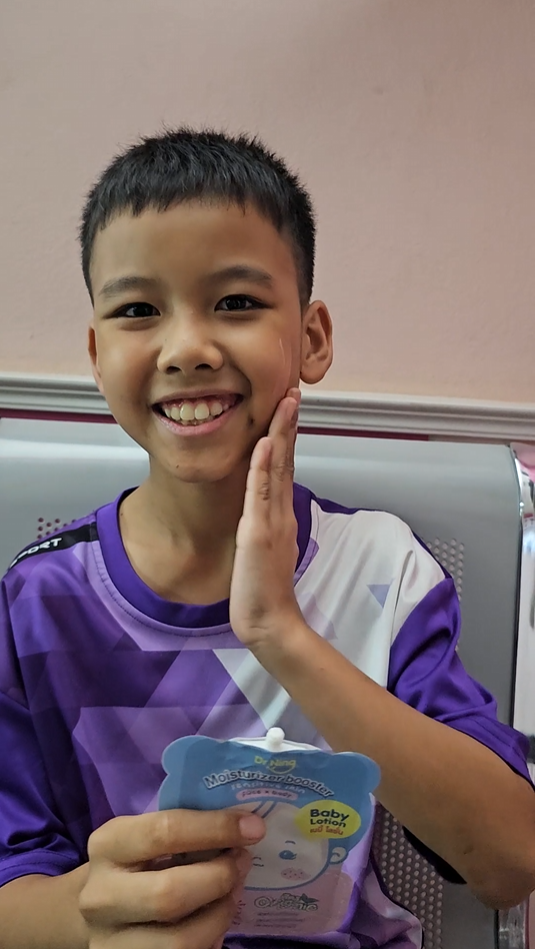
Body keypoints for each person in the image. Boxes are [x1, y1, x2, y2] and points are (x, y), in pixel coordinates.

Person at [0, 129, 534, 949]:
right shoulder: (35, 601)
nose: (187, 348)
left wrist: (279, 632)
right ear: (98, 354)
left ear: (311, 339)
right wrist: (92, 916)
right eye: (138, 310)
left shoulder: (383, 568)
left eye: (236, 303)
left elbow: (509, 859)